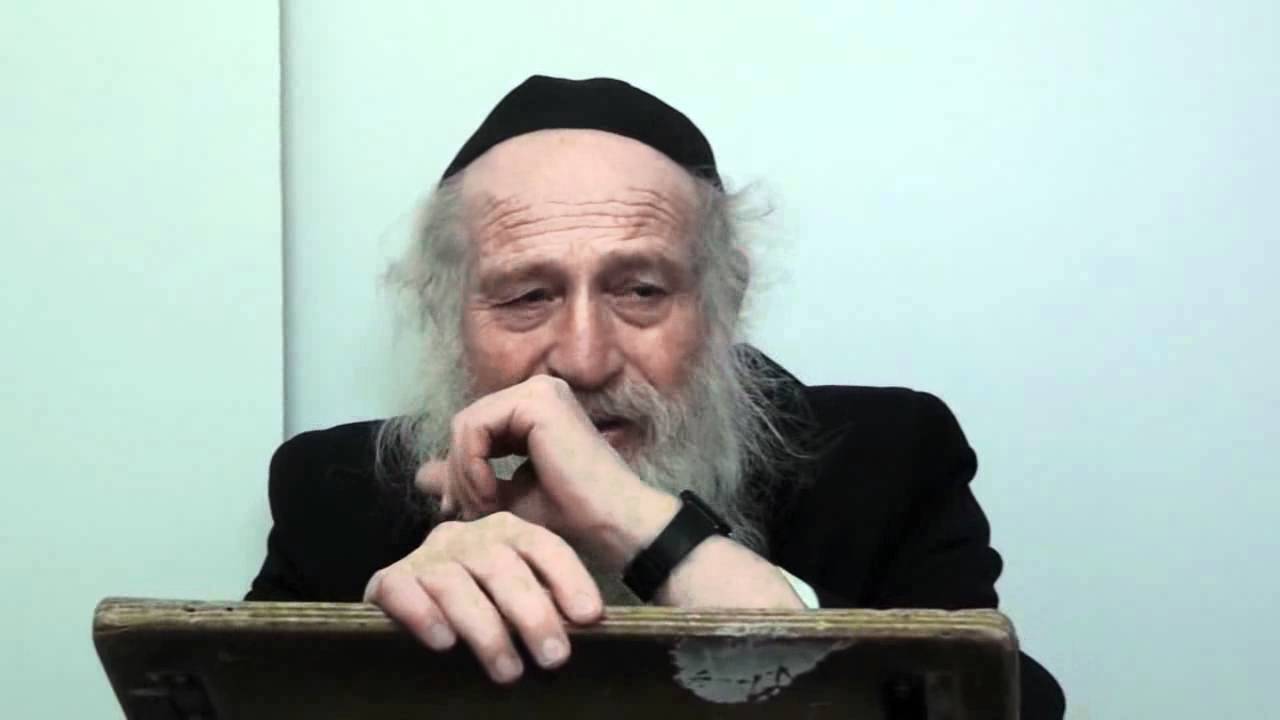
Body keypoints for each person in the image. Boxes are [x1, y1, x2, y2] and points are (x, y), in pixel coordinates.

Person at [247, 75, 1065, 718]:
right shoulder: (333, 492)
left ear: (721, 302)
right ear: (447, 319)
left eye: (640, 290)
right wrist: (373, 647)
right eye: (526, 296)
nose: (583, 359)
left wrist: (648, 530)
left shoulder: (888, 458)